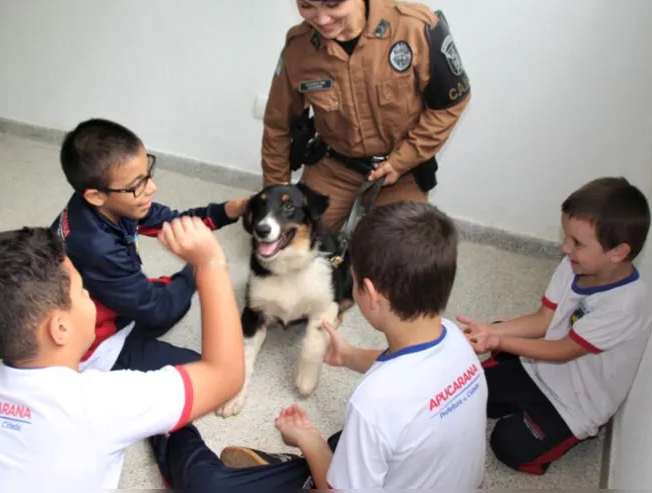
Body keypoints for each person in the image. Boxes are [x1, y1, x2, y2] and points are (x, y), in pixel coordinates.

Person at [149, 201, 489, 491]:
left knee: (210, 486)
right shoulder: (454, 337)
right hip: (414, 472)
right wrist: (349, 356)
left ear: (368, 294)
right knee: (358, 443)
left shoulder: (375, 402)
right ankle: (294, 471)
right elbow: (408, 372)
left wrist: (308, 441)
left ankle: (167, 427)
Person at [0, 219, 245, 491]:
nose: (90, 296)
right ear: (60, 328)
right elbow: (225, 376)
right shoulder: (99, 402)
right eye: (82, 292)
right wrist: (210, 264)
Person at [262, 0, 472, 230]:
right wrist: (276, 195)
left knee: (399, 257)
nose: (321, 19)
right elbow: (277, 126)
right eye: (305, 5)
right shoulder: (298, 49)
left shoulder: (415, 28)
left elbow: (451, 103)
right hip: (332, 166)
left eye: (332, 5)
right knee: (288, 247)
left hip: (398, 171)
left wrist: (402, 160)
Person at [459, 176, 652, 475]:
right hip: (537, 367)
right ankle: (507, 363)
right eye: (566, 237)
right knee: (469, 395)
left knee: (507, 446)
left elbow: (563, 350)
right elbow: (543, 320)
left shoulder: (626, 304)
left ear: (618, 252)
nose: (565, 248)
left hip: (574, 404)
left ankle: (559, 431)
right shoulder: (574, 264)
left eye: (577, 243)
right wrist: (488, 331)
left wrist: (497, 341)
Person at [50, 118, 248, 373]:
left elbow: (172, 221)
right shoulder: (97, 248)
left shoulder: (108, 204)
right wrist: (199, 268)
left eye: (148, 174)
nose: (152, 188)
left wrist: (228, 211)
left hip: (107, 301)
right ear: (95, 195)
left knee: (177, 299)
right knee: (203, 374)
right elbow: (158, 310)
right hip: (90, 344)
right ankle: (99, 366)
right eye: (137, 185)